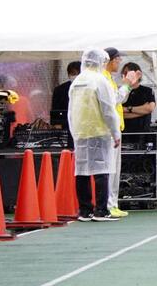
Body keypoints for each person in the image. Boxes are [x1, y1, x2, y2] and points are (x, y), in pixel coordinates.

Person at [68, 49, 130, 222]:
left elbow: (70, 111)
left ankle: (85, 210)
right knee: (102, 170)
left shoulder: (77, 81)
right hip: (99, 131)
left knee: (82, 171)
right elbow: (108, 108)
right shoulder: (100, 80)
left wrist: (74, 131)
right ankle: (101, 210)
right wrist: (115, 132)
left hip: (81, 132)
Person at [102, 47, 138, 218]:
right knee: (110, 169)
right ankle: (109, 204)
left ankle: (112, 203)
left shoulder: (109, 78)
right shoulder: (103, 78)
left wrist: (127, 85)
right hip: (108, 130)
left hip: (115, 129)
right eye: (117, 60)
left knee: (114, 170)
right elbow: (114, 100)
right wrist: (126, 84)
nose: (119, 63)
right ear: (110, 60)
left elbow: (119, 98)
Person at [50, 61, 80, 148]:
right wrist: (57, 122)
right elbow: (55, 108)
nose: (75, 76)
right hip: (65, 123)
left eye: (78, 73)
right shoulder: (60, 89)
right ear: (68, 74)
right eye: (73, 73)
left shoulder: (88, 88)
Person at [121, 63, 156, 133]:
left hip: (143, 134)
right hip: (125, 134)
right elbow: (119, 114)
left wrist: (127, 109)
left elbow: (149, 108)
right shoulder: (121, 92)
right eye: (125, 74)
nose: (126, 76)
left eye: (128, 74)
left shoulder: (147, 91)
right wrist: (142, 111)